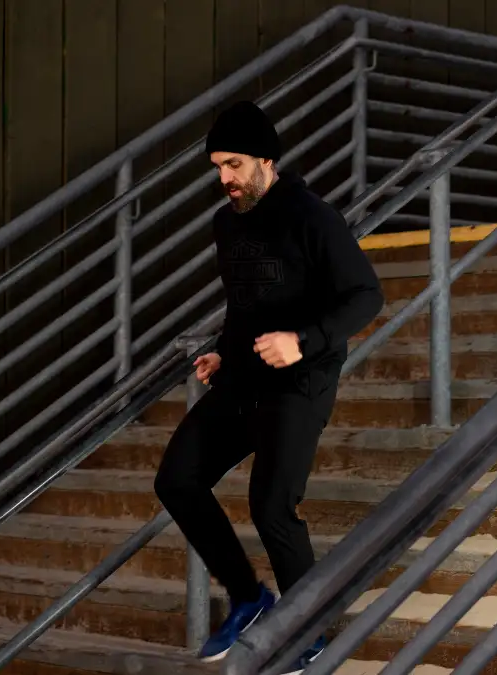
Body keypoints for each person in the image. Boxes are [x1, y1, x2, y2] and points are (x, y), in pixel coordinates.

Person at [153, 100, 384, 674]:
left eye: (233, 165)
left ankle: (308, 635)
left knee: (271, 505)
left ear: (265, 159)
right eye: (217, 168)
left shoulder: (313, 217)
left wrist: (303, 341)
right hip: (242, 377)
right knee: (176, 479)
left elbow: (366, 296)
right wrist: (223, 353)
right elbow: (247, 303)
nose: (224, 179)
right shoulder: (226, 223)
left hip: (301, 381)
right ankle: (251, 599)